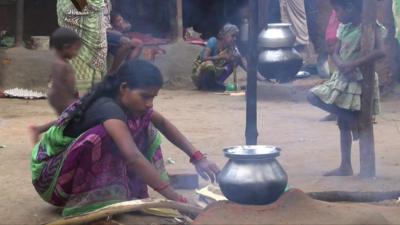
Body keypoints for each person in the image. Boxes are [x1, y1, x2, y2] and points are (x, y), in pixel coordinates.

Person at [31, 59, 220, 217]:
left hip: (68, 172)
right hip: (51, 180)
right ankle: (94, 202)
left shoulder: (130, 106)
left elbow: (162, 123)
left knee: (147, 126)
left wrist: (198, 158)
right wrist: (178, 201)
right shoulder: (107, 108)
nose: (149, 104)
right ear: (124, 88)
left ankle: (120, 192)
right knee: (101, 137)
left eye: (153, 97)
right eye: (145, 96)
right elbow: (133, 157)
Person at [307, 0, 386, 177]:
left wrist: (354, 64)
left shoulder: (370, 26)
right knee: (313, 97)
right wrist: (342, 65)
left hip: (360, 81)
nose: (336, 15)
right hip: (342, 77)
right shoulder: (345, 28)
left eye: (338, 10)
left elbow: (381, 51)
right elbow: (334, 52)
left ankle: (360, 167)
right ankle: (345, 164)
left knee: (354, 123)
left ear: (350, 8)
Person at [29, 28, 81, 143]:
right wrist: (69, 102)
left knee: (66, 120)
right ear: (66, 47)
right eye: (76, 49)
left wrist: (75, 97)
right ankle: (48, 138)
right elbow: (58, 84)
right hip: (61, 98)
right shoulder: (60, 64)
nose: (77, 53)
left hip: (65, 97)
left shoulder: (61, 62)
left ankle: (38, 129)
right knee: (68, 121)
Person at [57, 0, 108, 91]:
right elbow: (67, 10)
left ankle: (86, 100)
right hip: (78, 41)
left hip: (96, 40)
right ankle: (80, 100)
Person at [191, 24, 247, 91]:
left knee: (236, 58)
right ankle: (206, 85)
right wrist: (221, 56)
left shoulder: (231, 48)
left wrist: (260, 78)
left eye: (236, 36)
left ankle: (216, 84)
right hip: (200, 75)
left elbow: (243, 63)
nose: (235, 39)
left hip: (215, 75)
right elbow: (204, 58)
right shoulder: (213, 41)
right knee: (208, 64)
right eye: (232, 36)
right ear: (224, 35)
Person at [105, 0, 143, 72]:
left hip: (114, 36)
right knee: (127, 42)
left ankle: (127, 69)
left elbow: (127, 25)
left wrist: (125, 26)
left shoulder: (109, 9)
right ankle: (112, 72)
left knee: (138, 44)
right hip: (102, 33)